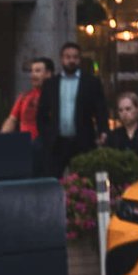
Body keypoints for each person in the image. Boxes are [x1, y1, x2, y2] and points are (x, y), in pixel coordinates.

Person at [29, 39, 110, 176]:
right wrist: (46, 136)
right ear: (62, 59)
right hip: (57, 142)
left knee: (84, 178)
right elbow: (41, 114)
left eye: (75, 57)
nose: (71, 60)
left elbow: (100, 110)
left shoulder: (90, 82)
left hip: (82, 140)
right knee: (53, 179)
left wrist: (103, 130)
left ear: (79, 59)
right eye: (68, 57)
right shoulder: (51, 84)